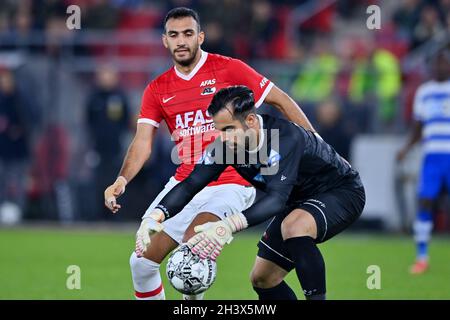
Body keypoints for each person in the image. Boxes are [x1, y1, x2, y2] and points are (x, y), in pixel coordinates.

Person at [103, 7, 314, 300]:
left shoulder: (229, 69)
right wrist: (122, 179)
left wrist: (316, 143)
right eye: (174, 35)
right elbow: (142, 142)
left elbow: (280, 100)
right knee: (140, 263)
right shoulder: (157, 89)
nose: (181, 41)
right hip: (186, 183)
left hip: (232, 181)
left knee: (194, 249)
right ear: (164, 41)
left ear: (200, 36)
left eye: (188, 34)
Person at [143, 86, 366, 300]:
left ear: (250, 121)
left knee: (294, 227)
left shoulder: (285, 138)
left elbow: (276, 200)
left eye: (229, 129)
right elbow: (191, 184)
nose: (224, 137)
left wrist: (227, 226)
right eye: (219, 130)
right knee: (263, 278)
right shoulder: (226, 147)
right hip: (298, 201)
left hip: (341, 191)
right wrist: (157, 216)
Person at [397, 48, 450, 274]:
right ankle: (422, 257)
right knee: (425, 201)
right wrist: (406, 148)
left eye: (444, 63)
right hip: (432, 156)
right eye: (437, 63)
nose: (440, 67)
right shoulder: (424, 92)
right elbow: (418, 126)